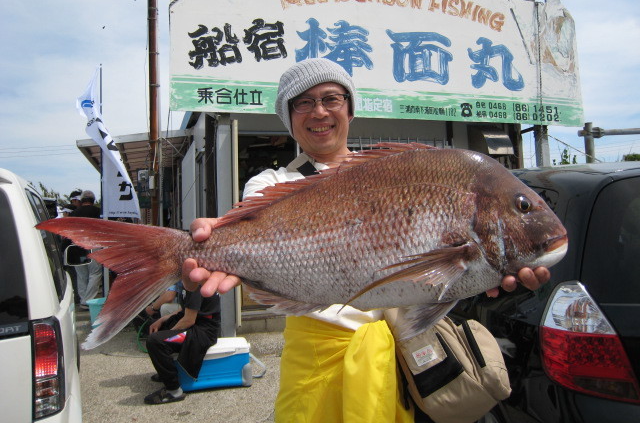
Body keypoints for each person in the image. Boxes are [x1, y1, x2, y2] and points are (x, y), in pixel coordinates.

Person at [182, 58, 552, 421]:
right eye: (303, 103)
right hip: (312, 364)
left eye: (331, 98)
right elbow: (244, 232)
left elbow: (428, 279)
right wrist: (213, 244)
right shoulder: (272, 185)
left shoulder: (391, 173)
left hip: (389, 359)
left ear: (350, 108)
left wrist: (483, 280)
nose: (319, 112)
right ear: (289, 118)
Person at [144, 283, 221, 405]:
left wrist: (168, 334)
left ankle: (173, 390)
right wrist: (162, 320)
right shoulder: (188, 281)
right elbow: (186, 309)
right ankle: (166, 373)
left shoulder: (195, 284)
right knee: (157, 328)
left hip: (202, 332)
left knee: (155, 341)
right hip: (196, 324)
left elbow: (189, 320)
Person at [70, 190, 102, 309]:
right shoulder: (99, 212)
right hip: (94, 245)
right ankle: (87, 301)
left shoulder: (74, 213)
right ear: (93, 201)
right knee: (95, 273)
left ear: (82, 200)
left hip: (77, 245)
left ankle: (83, 299)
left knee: (81, 274)